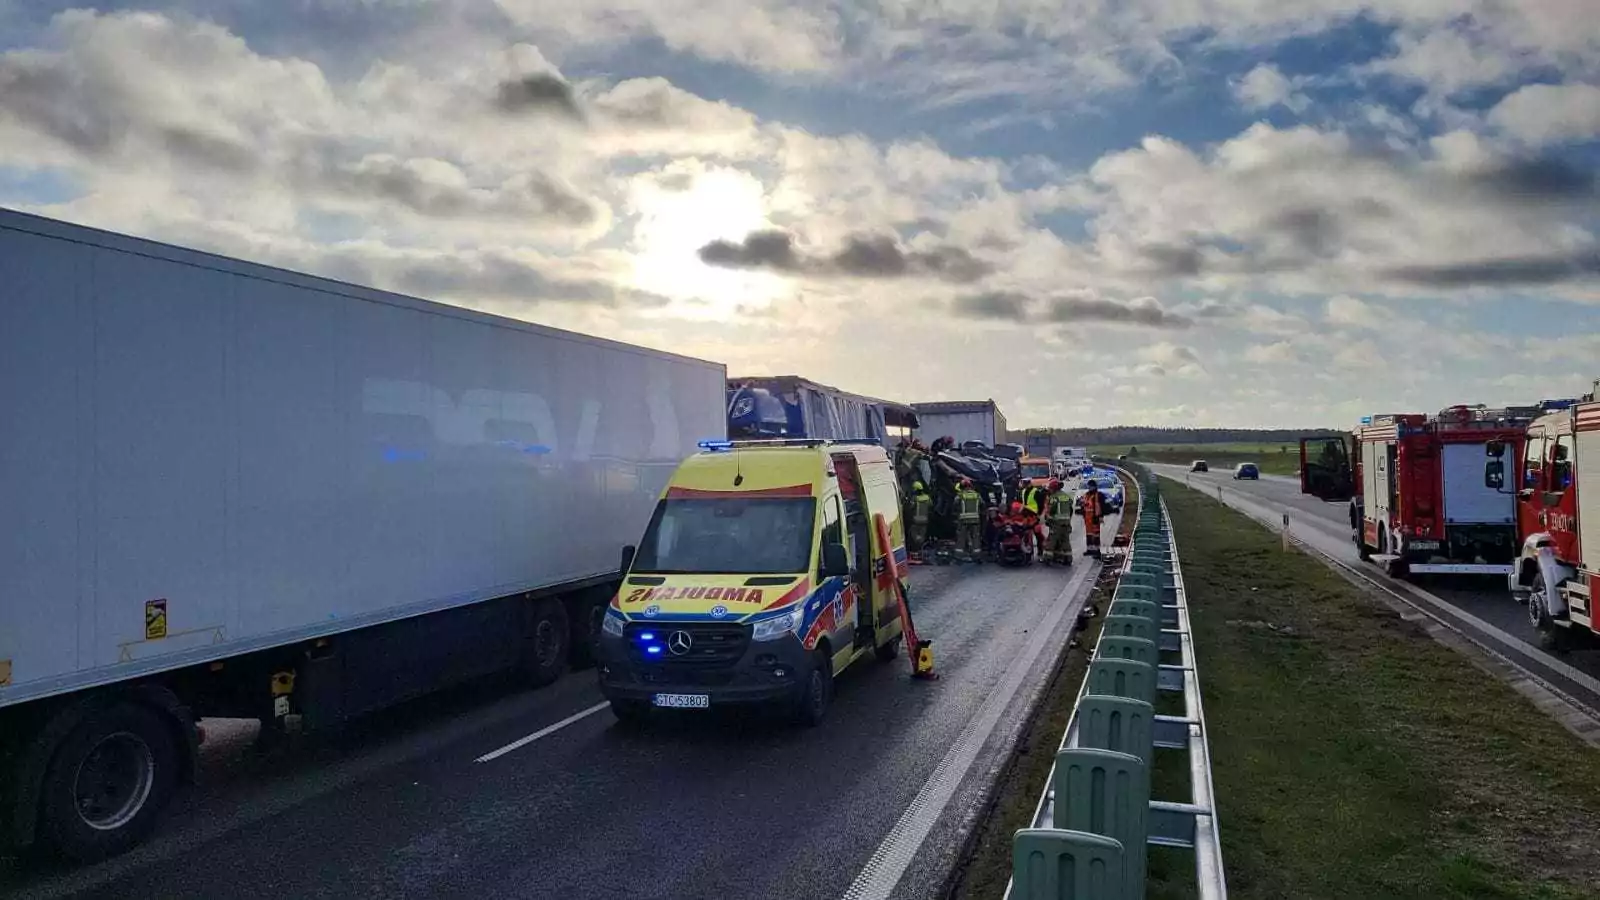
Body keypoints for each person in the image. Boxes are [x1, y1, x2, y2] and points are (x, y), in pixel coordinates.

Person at [1042, 478, 1074, 565]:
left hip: (1056, 523)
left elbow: (1051, 510)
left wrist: (1048, 519)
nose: (1050, 490)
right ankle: (1068, 559)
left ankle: (1047, 558)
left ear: (1054, 488)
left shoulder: (1054, 497)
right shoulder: (1066, 496)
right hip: (1066, 523)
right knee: (1065, 540)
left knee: (1051, 540)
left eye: (1050, 489)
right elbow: (1070, 508)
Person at [954, 478, 984, 563]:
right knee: (975, 537)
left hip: (963, 520)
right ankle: (977, 555)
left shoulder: (960, 495)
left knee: (961, 538)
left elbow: (955, 505)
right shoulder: (977, 495)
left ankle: (959, 556)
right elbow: (982, 504)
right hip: (975, 520)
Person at [1080, 478, 1106, 557]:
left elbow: (1103, 506)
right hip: (1088, 519)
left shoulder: (1099, 495)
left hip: (1095, 518)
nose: (1089, 488)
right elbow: (1083, 505)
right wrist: (1083, 513)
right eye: (1089, 486)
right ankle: (1090, 550)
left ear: (1094, 486)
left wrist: (1100, 516)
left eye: (1091, 486)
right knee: (1089, 535)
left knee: (1096, 536)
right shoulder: (1086, 495)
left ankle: (1097, 551)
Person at [908, 478, 931, 561]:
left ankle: (915, 552)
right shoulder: (927, 497)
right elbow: (930, 506)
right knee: (922, 536)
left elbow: (910, 507)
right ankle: (920, 552)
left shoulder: (914, 498)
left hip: (916, 521)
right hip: (925, 520)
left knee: (913, 536)